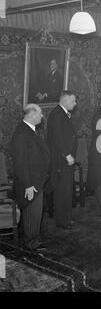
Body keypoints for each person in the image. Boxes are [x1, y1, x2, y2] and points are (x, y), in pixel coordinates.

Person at [10, 104, 50, 251]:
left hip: (36, 180)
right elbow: (20, 163)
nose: (42, 116)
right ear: (32, 114)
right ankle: (31, 243)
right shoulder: (21, 133)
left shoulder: (29, 130)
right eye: (40, 113)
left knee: (36, 212)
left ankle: (34, 238)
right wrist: (28, 185)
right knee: (32, 212)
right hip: (30, 182)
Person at [46, 91, 77, 229]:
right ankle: (62, 220)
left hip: (65, 158)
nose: (75, 104)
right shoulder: (57, 115)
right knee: (62, 190)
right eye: (73, 101)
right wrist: (67, 154)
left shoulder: (62, 113)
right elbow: (58, 138)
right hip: (61, 159)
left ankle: (66, 217)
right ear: (64, 100)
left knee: (67, 189)